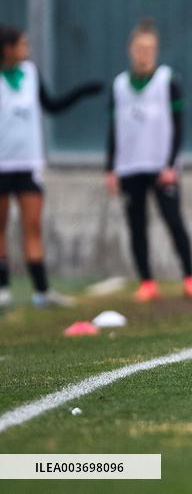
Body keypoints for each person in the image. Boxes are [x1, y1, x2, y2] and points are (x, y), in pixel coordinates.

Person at [0, 24, 102, 309]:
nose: (26, 49)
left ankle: (42, 292)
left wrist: (82, 92)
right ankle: (3, 288)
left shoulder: (31, 74)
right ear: (7, 48)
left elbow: (52, 105)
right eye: (22, 44)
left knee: (32, 227)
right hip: (1, 166)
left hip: (28, 165)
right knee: (1, 228)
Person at [104, 19, 192, 302]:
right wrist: (110, 168)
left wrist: (171, 164)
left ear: (156, 50)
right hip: (130, 166)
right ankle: (147, 281)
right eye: (139, 48)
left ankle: (190, 276)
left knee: (174, 220)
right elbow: (113, 129)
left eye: (149, 48)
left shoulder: (167, 80)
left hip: (162, 166)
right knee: (136, 225)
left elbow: (179, 124)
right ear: (130, 50)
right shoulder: (120, 85)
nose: (144, 53)